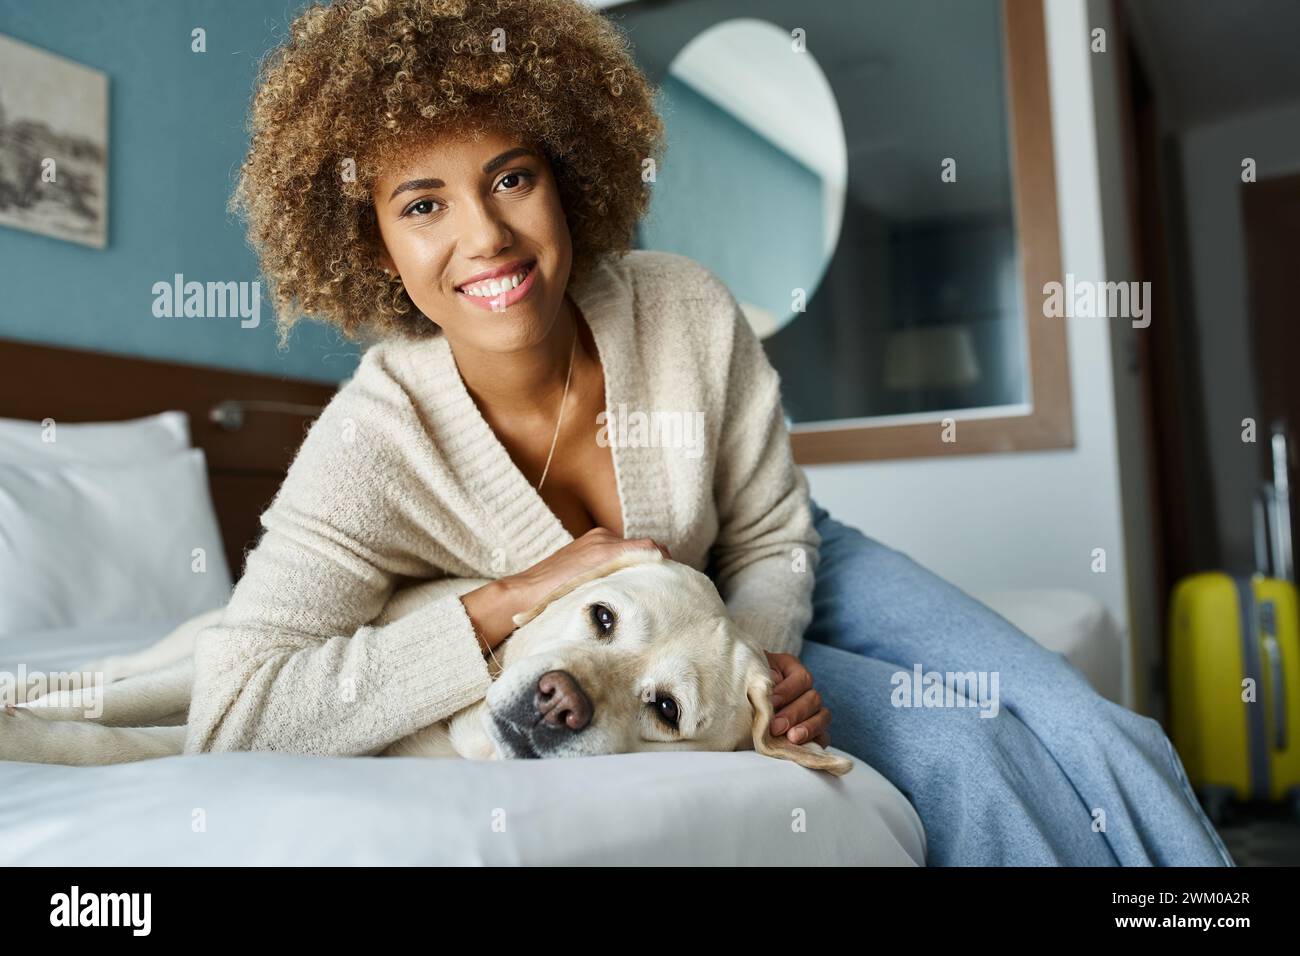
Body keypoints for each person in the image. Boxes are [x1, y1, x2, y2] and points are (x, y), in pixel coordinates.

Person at [187, 0, 1232, 866]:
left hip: (764, 551)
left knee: (1096, 725)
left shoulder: (680, 305)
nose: (486, 235)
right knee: (964, 751)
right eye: (422, 204)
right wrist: (510, 600)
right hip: (666, 647)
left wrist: (760, 660)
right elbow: (233, 713)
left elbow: (775, 537)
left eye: (511, 177)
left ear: (566, 176)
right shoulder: (374, 441)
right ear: (369, 240)